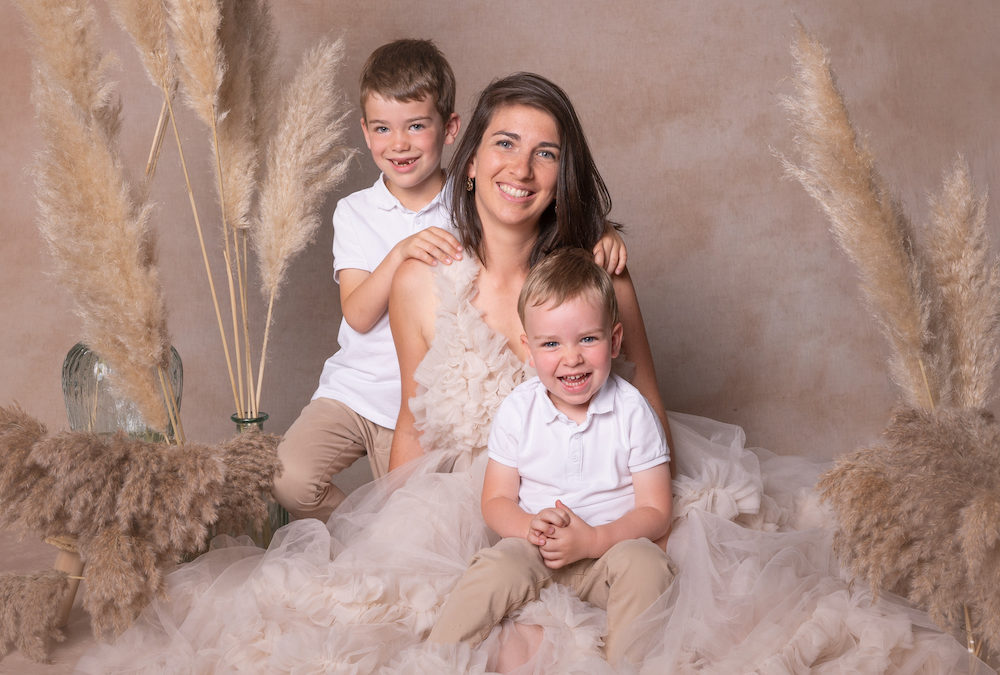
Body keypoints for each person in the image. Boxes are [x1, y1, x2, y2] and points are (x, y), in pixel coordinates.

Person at [77, 73, 986, 674]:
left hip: (605, 489)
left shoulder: (598, 279)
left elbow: (652, 425)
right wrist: (397, 532)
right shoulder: (426, 283)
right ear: (468, 159)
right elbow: (414, 428)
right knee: (418, 614)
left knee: (698, 601)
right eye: (506, 144)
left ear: (563, 173)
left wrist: (593, 520)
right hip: (476, 497)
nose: (523, 167)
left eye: (547, 152)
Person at [274, 42, 628, 521]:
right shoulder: (360, 214)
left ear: (450, 132)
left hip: (437, 405)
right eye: (382, 128)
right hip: (364, 392)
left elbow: (532, 218)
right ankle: (352, 535)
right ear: (474, 164)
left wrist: (600, 231)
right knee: (326, 492)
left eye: (416, 126)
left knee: (413, 507)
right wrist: (401, 254)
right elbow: (357, 315)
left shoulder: (469, 204)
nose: (399, 143)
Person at [428, 248, 675, 666]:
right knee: (495, 565)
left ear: (614, 340)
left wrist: (595, 539)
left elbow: (656, 509)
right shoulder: (518, 410)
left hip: (608, 553)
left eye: (588, 339)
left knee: (648, 564)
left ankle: (624, 665)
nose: (571, 357)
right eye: (551, 343)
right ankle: (436, 658)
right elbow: (496, 500)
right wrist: (530, 526)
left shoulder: (633, 411)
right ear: (529, 348)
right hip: (535, 552)